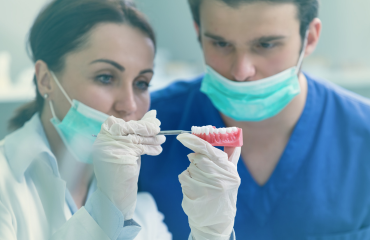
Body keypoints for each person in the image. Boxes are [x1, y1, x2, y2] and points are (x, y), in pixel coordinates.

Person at [0, 0, 240, 239]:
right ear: (45, 79)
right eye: (105, 77)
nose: (130, 105)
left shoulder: (141, 198)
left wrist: (210, 233)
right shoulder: (6, 181)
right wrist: (106, 211)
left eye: (141, 83)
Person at [139, 0, 370, 239]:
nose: (241, 71)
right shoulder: (147, 129)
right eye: (220, 43)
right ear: (198, 32)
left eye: (266, 44)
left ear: (309, 38)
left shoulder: (363, 135)